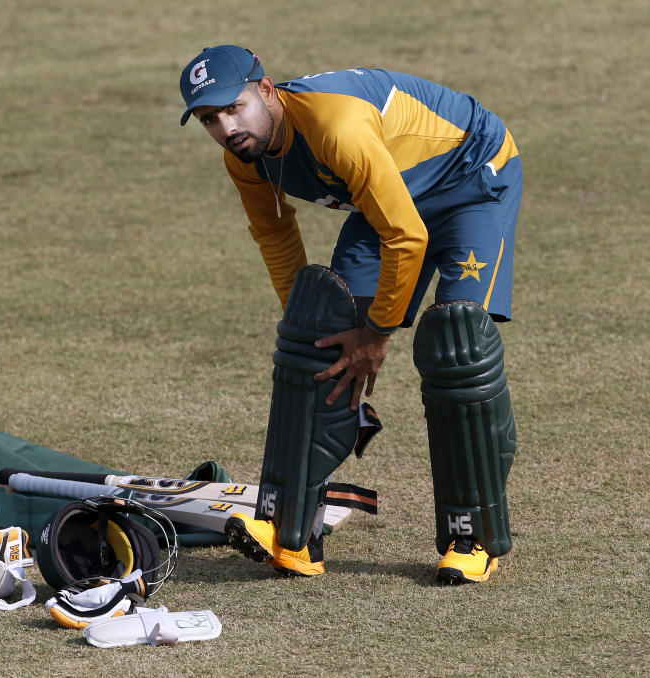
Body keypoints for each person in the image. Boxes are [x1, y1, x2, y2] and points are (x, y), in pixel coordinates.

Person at [179, 45, 522, 584]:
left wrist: (377, 332)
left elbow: (406, 237)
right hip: (390, 193)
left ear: (266, 90)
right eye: (209, 119)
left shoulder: (334, 126)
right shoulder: (245, 156)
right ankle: (292, 529)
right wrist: (307, 328)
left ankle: (472, 535)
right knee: (320, 340)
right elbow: (274, 234)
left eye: (234, 107)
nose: (226, 127)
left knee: (458, 346)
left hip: (470, 177)